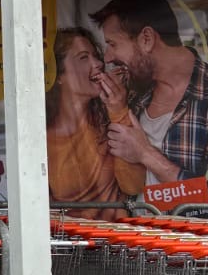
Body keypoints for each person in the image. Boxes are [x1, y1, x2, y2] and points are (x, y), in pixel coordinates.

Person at [90, 0, 208, 206]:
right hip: (130, 227)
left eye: (113, 44)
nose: (107, 58)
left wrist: (145, 153)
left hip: (180, 230)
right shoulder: (131, 89)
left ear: (146, 39)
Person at [45, 27, 147, 216]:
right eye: (84, 58)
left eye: (95, 56)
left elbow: (133, 186)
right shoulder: (43, 140)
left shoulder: (109, 119)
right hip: (72, 234)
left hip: (118, 233)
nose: (99, 63)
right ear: (57, 75)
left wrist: (118, 110)